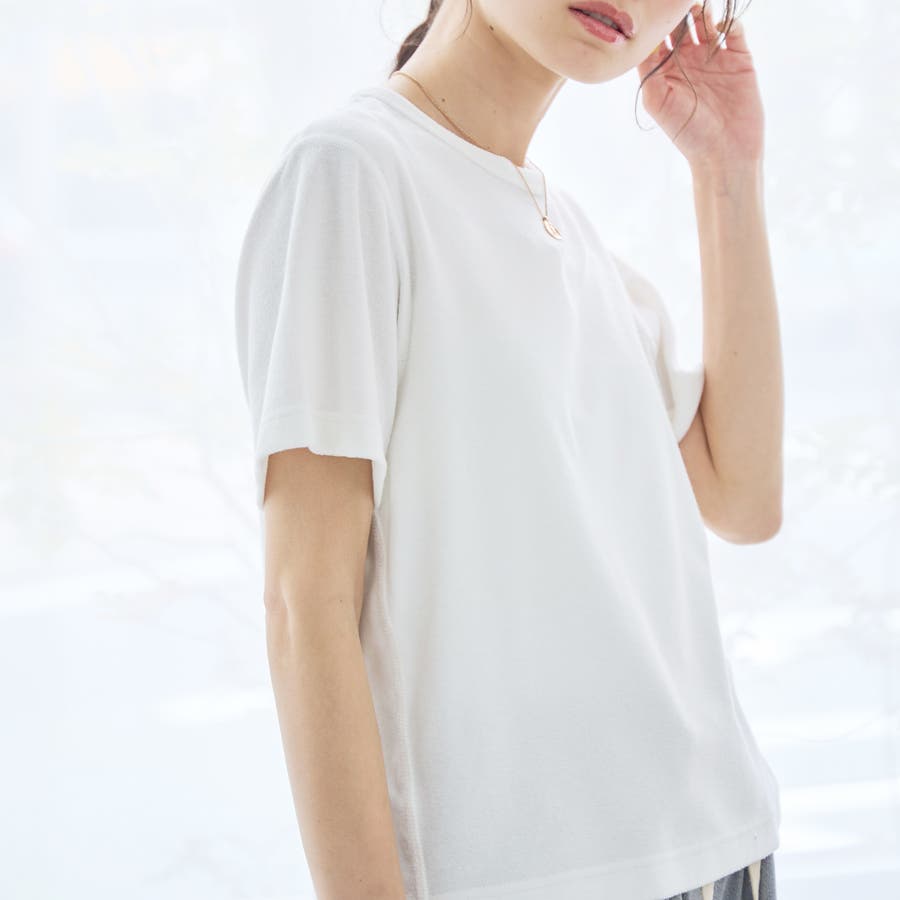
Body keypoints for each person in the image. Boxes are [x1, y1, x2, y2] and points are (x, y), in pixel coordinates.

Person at [233, 0, 785, 897]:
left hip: (725, 849)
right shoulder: (354, 173)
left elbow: (744, 497)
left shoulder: (578, 239)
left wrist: (729, 169)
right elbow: (305, 606)